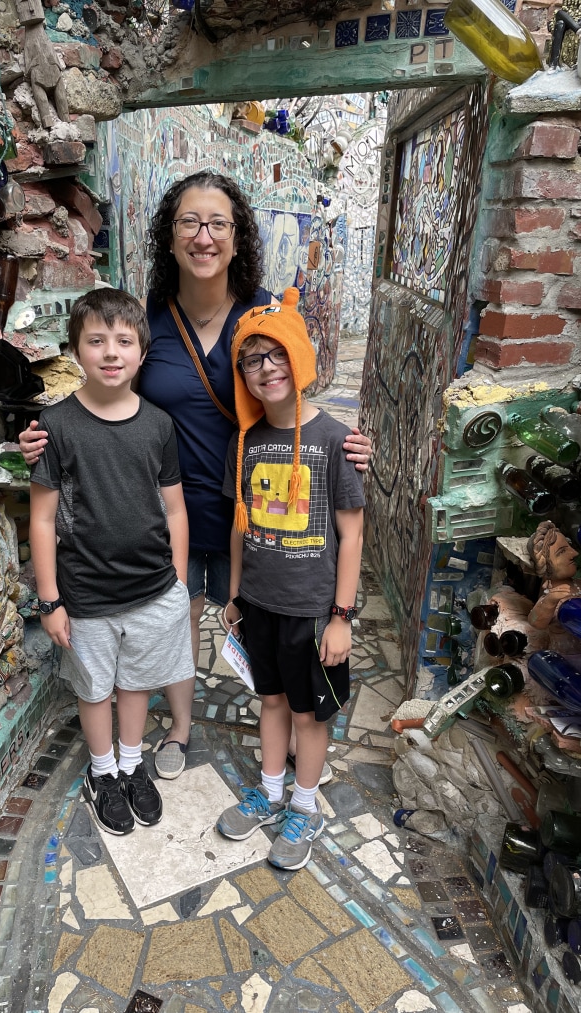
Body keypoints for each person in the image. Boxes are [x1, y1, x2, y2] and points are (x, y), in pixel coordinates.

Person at [20, 171, 372, 780]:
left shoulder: (263, 317)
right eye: (190, 222)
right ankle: (179, 731)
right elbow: (102, 391)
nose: (204, 236)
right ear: (170, 234)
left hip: (252, 514)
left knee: (276, 624)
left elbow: (295, 399)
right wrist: (44, 433)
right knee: (175, 625)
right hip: (165, 512)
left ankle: (293, 725)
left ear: (237, 238)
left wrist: (346, 446)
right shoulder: (149, 321)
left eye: (217, 224)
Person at [29, 288, 195, 836]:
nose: (110, 352)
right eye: (96, 340)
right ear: (76, 349)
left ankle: (130, 762)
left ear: (142, 353)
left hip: (152, 588)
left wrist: (177, 581)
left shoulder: (158, 426)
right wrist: (49, 600)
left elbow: (174, 506)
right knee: (95, 687)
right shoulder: (56, 427)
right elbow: (44, 520)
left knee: (136, 685)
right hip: (86, 594)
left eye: (124, 340)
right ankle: (103, 773)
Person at [215, 289, 364, 870]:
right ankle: (270, 791)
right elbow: (238, 524)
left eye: (276, 354)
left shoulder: (333, 440)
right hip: (259, 603)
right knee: (271, 701)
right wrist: (233, 594)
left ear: (298, 357)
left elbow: (351, 535)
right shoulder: (244, 442)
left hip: (312, 609)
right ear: (242, 375)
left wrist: (341, 617)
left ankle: (306, 804)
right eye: (252, 360)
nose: (266, 368)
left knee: (310, 713)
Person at [527, 520, 581, 629]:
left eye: (569, 546)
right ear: (544, 564)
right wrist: (550, 601)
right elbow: (534, 621)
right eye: (561, 552)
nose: (575, 553)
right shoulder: (551, 597)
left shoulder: (578, 583)